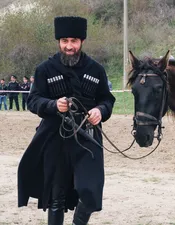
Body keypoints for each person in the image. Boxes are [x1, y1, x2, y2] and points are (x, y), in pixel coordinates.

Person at [17, 16, 115, 225]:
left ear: (81, 42)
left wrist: (100, 110)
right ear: (58, 42)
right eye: (64, 41)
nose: (69, 46)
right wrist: (53, 105)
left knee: (90, 192)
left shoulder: (95, 69)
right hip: (55, 137)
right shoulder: (45, 69)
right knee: (56, 195)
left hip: (87, 136)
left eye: (73, 41)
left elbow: (107, 99)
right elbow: (33, 100)